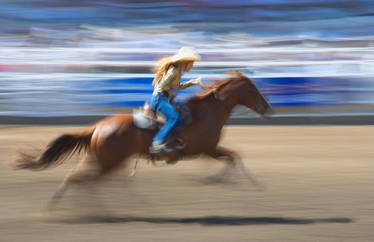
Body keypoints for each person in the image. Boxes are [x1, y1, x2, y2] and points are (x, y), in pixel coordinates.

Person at [149, 46, 202, 153]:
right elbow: (163, 86)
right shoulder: (174, 71)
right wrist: (171, 92)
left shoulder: (177, 72)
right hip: (160, 99)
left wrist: (192, 82)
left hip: (163, 99)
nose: (192, 66)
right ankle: (157, 142)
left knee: (179, 119)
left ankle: (168, 139)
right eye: (192, 63)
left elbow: (178, 86)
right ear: (185, 62)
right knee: (174, 118)